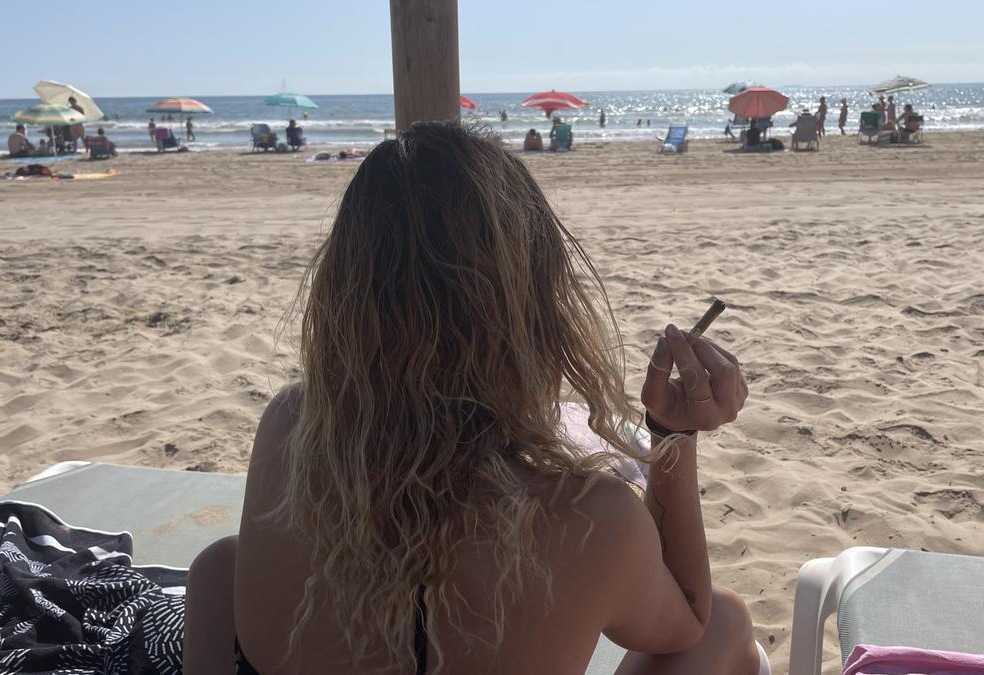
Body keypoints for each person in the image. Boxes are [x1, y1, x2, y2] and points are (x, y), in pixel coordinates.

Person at [182, 122, 760, 675]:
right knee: (724, 621)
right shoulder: (588, 519)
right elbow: (687, 621)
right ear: (536, 308)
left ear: (342, 294)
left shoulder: (288, 424)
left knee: (220, 565)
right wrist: (671, 433)